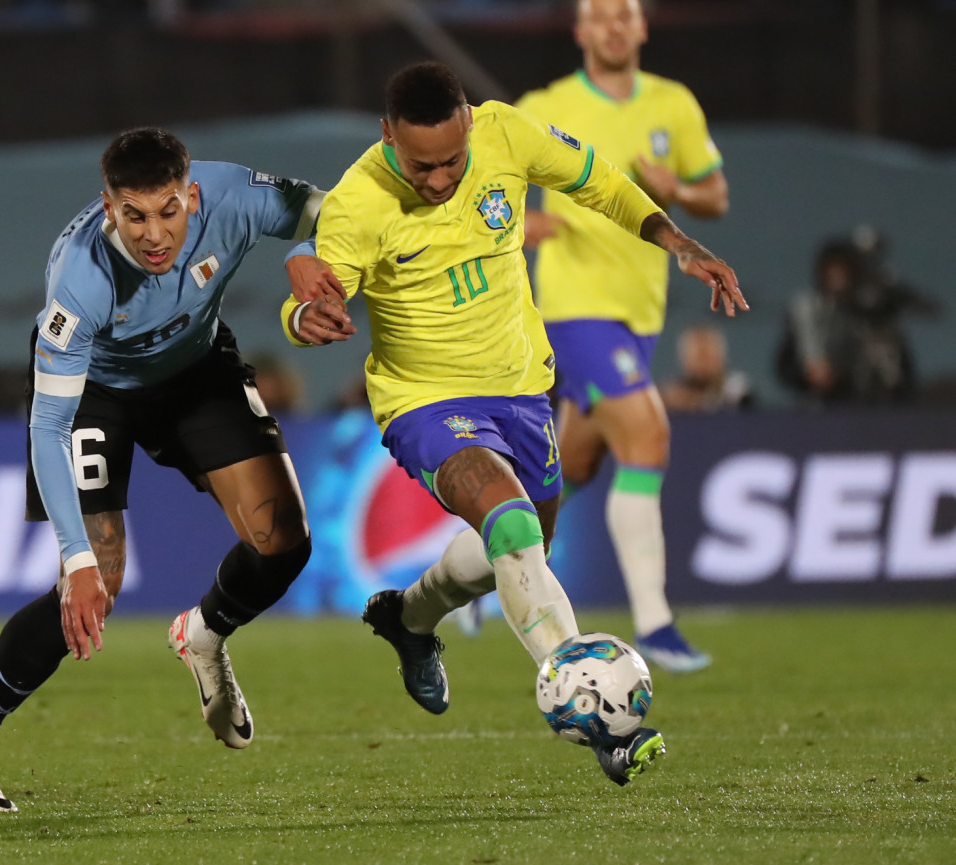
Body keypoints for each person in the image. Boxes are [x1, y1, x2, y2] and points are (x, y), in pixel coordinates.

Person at [283, 61, 744, 785]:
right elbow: (313, 286)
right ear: (386, 138)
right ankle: (601, 721)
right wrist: (306, 315)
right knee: (511, 525)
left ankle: (408, 616)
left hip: (522, 393)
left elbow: (600, 181)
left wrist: (677, 241)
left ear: (470, 123)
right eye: (419, 165)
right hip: (425, 400)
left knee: (518, 545)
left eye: (451, 161)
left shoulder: (506, 132)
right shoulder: (358, 202)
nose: (437, 180)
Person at [0, 128, 324, 812]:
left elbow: (332, 210)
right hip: (95, 393)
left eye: (168, 210)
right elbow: (48, 425)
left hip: (197, 369)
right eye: (134, 215)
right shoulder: (79, 280)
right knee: (97, 583)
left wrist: (308, 255)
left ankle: (204, 631)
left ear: (191, 195)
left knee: (286, 539)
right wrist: (74, 556)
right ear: (109, 207)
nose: (155, 234)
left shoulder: (231, 196)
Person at [511, 0, 730, 672]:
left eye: (624, 13)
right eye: (598, 14)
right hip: (575, 310)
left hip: (641, 314)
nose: (612, 24)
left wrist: (680, 193)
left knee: (571, 464)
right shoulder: (541, 106)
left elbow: (715, 194)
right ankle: (657, 624)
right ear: (579, 31)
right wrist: (519, 225)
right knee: (648, 432)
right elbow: (484, 195)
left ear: (641, 26)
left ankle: (484, 576)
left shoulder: (673, 104)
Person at [777, 230, 931, 406]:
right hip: (818, 413)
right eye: (831, 271)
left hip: (870, 411)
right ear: (821, 272)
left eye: (843, 272)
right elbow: (785, 367)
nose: (838, 279)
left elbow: (902, 377)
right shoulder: (806, 314)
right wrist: (809, 375)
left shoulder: (875, 318)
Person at [660, 324, 753, 412]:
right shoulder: (674, 392)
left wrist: (696, 401)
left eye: (708, 355)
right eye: (698, 356)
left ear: (721, 356)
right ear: (684, 358)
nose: (703, 362)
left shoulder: (736, 386)